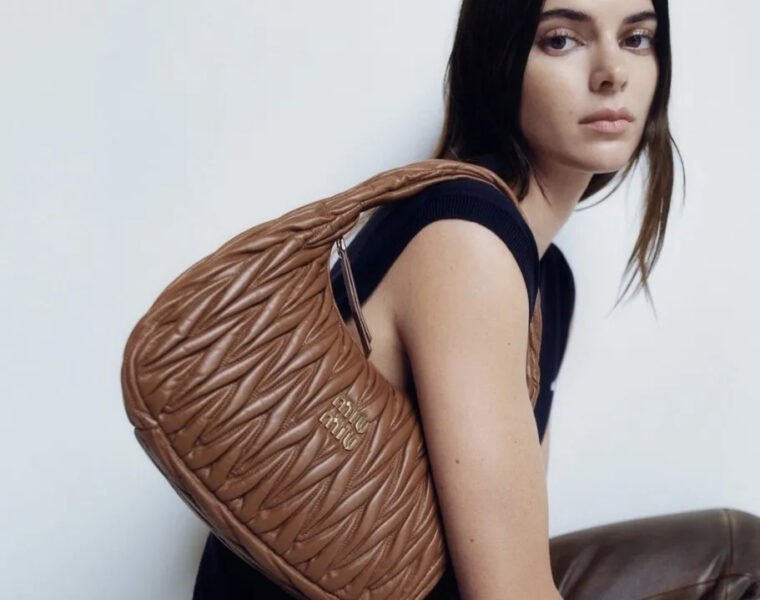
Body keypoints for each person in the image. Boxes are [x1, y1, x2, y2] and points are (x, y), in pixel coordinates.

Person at [192, 0, 760, 598]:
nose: (612, 72)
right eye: (562, 39)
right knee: (744, 568)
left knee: (739, 552)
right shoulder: (466, 239)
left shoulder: (550, 279)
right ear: (499, 59)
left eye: (637, 38)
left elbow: (514, 547)